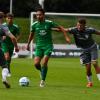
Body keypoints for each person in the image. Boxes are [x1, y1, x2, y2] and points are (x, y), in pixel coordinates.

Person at [26, 8, 70, 87]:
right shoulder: (34, 25)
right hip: (39, 46)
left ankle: (42, 80)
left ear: (43, 15)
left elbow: (61, 28)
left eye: (40, 14)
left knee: (44, 62)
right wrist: (28, 44)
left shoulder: (49, 23)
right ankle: (41, 71)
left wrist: (66, 37)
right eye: (37, 15)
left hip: (48, 46)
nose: (38, 16)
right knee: (36, 64)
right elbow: (31, 35)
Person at [64, 18, 100, 88]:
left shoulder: (89, 30)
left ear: (84, 25)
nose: (79, 27)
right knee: (88, 68)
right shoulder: (74, 30)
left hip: (92, 47)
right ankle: (90, 82)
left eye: (80, 26)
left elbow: (98, 32)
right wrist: (51, 28)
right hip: (84, 50)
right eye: (78, 25)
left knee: (95, 63)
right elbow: (63, 29)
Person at [0, 11, 19, 88]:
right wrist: (16, 47)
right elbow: (13, 38)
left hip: (8, 46)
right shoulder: (3, 27)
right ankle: (4, 78)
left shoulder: (14, 27)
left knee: (8, 58)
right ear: (3, 18)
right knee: (4, 66)